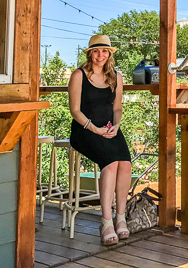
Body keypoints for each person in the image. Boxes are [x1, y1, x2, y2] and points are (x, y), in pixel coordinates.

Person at [69, 35, 131, 246]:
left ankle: (120, 218)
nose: (100, 55)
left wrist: (116, 125)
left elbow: (117, 107)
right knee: (111, 162)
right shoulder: (79, 75)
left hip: (109, 127)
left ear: (110, 54)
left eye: (105, 51)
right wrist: (93, 128)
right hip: (85, 129)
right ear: (89, 54)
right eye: (96, 51)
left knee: (126, 164)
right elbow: (75, 111)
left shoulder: (116, 77)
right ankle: (106, 222)